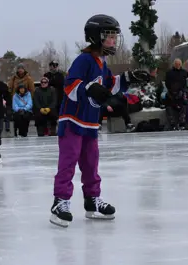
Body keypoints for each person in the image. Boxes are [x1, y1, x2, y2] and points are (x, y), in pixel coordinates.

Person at [50, 14, 150, 227]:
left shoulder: (102, 63)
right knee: (68, 162)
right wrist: (88, 87)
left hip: (90, 122)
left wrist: (128, 78)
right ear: (97, 37)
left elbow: (108, 85)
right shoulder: (84, 60)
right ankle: (60, 202)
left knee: (91, 163)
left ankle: (92, 201)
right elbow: (70, 85)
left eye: (115, 36)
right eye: (110, 36)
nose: (114, 40)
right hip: (72, 120)